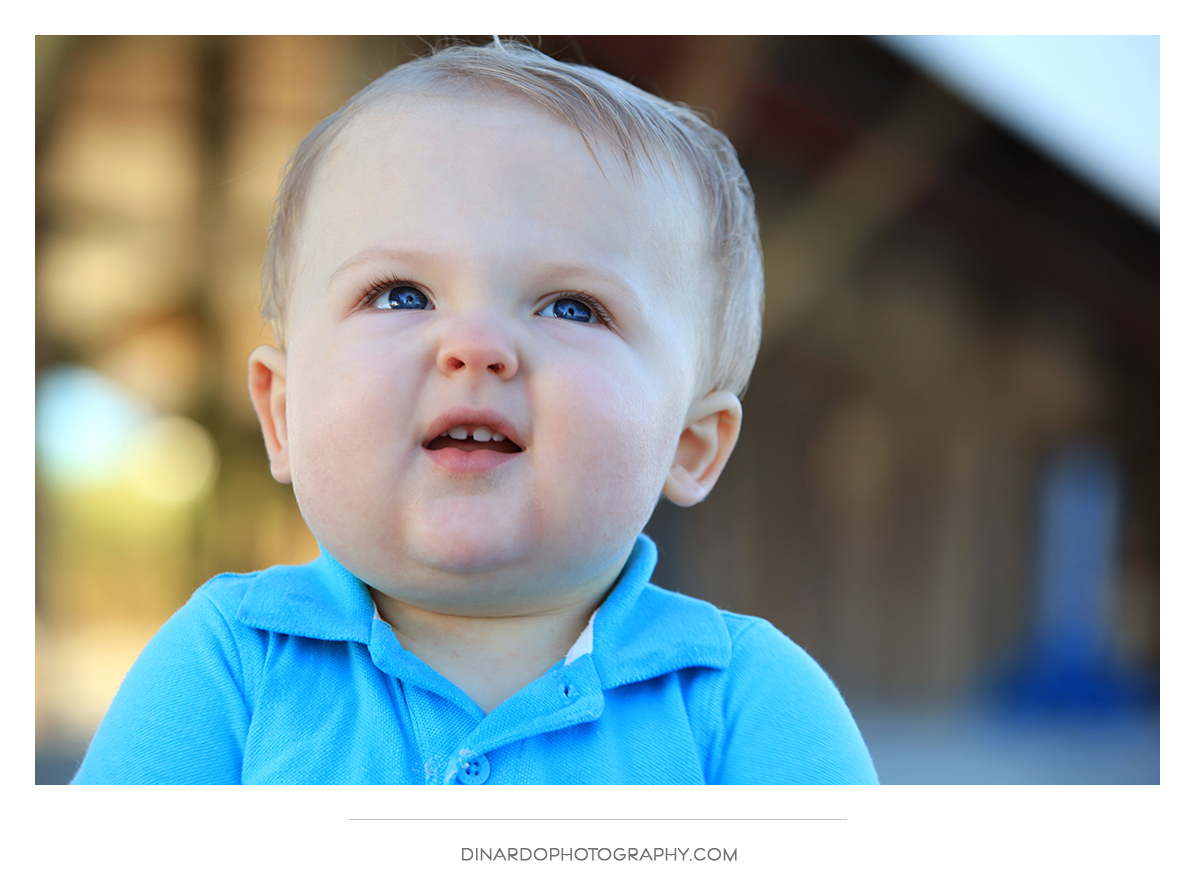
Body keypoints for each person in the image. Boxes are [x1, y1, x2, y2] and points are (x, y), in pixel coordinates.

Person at [72, 39, 879, 784]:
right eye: (401, 294)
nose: (476, 345)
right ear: (283, 412)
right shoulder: (228, 666)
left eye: (570, 307)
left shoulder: (744, 704)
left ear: (690, 444)